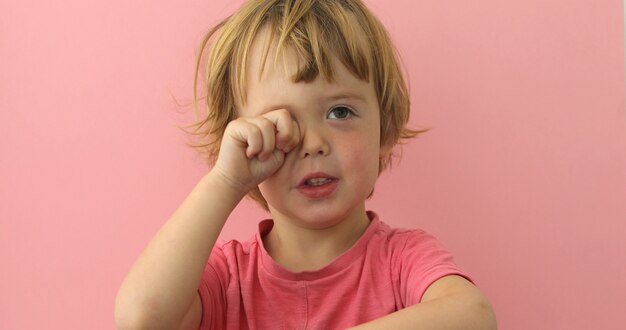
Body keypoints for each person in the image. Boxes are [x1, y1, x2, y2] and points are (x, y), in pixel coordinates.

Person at [115, 0, 497, 329]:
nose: (313, 144)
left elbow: (474, 317)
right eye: (281, 121)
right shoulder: (227, 276)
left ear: (384, 129)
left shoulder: (403, 259)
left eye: (340, 111)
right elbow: (141, 319)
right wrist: (227, 179)